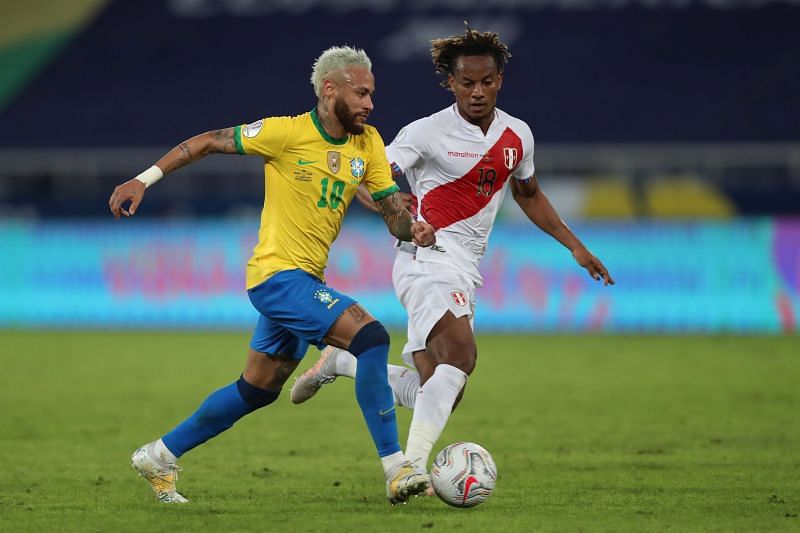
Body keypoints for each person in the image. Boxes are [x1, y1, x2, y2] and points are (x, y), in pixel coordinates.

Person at [108, 46, 436, 505]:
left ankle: (158, 456)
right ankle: (396, 468)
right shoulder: (286, 133)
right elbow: (208, 140)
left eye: (371, 94)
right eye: (361, 93)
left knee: (258, 389)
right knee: (371, 337)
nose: (369, 103)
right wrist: (144, 178)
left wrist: (411, 228)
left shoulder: (369, 143)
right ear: (329, 89)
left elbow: (391, 212)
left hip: (305, 282)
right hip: (278, 277)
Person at [290, 28, 615, 474]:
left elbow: (529, 194)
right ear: (451, 83)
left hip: (467, 266)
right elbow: (364, 172)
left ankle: (344, 363)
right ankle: (411, 471)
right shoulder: (426, 132)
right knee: (461, 357)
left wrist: (575, 247)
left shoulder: (518, 136)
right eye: (467, 83)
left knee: (439, 384)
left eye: (486, 82)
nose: (477, 92)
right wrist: (389, 201)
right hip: (426, 256)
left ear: (500, 79)